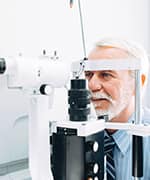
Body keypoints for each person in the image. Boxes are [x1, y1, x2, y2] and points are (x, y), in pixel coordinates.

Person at [85, 38, 150, 179]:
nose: (92, 85)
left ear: (138, 82)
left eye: (106, 74)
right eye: (89, 75)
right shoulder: (83, 135)